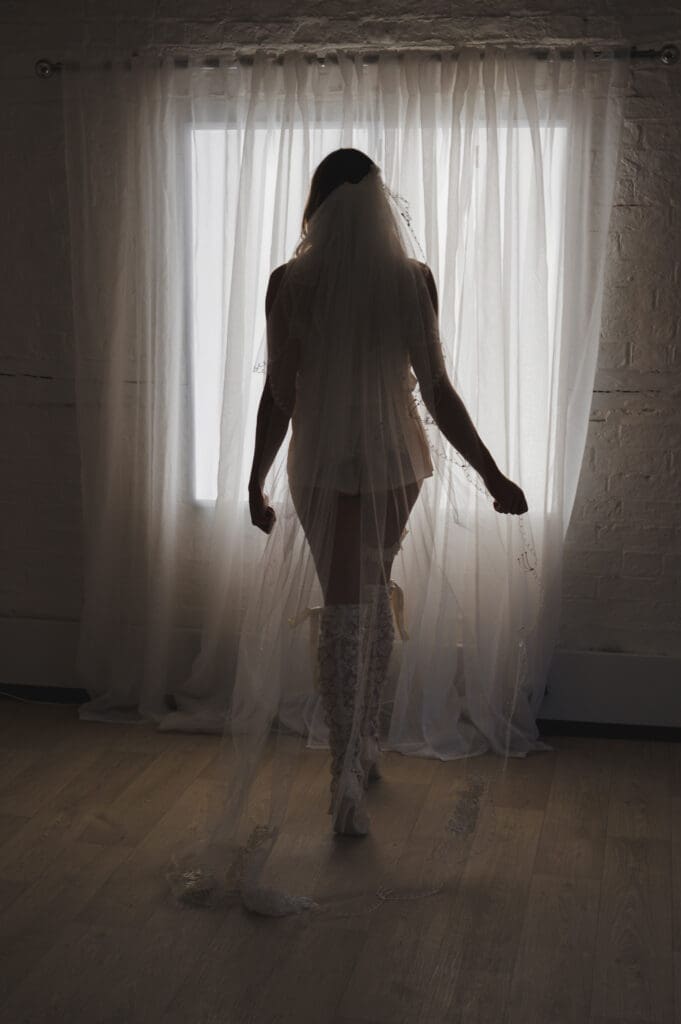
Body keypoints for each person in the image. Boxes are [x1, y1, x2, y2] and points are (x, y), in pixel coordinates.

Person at [247, 148, 528, 839]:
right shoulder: (411, 280)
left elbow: (279, 396)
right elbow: (435, 392)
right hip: (395, 461)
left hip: (319, 462)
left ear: (316, 203)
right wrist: (490, 474)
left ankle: (347, 766)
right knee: (367, 593)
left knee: (349, 599)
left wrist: (255, 480)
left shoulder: (290, 282)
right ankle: (360, 750)